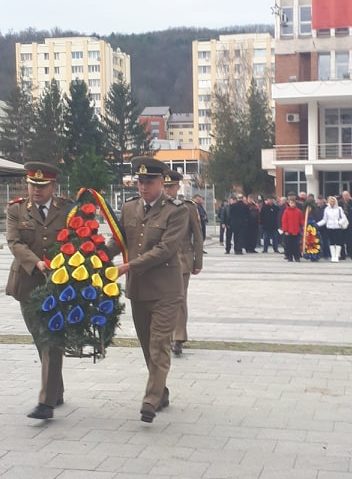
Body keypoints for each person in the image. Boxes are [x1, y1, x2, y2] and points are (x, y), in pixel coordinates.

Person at [108, 157, 188, 423]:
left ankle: (150, 400)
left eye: (149, 181)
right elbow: (118, 240)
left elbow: (165, 249)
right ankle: (161, 390)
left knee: (159, 345)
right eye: (139, 181)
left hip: (166, 289)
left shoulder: (177, 210)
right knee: (146, 346)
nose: (143, 187)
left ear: (162, 182)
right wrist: (91, 255)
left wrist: (128, 266)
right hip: (139, 290)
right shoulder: (130, 208)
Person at [6, 161, 73, 420]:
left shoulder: (67, 209)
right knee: (39, 338)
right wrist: (37, 263)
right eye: (32, 184)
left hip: (59, 283)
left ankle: (46, 403)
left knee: (52, 339)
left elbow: (75, 239)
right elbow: (14, 241)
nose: (36, 190)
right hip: (27, 283)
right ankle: (56, 388)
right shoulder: (17, 210)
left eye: (41, 186)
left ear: (53, 186)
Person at [163, 170, 203, 356]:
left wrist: (198, 261)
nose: (167, 190)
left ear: (178, 187)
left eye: (170, 187)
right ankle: (164, 336)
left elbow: (197, 235)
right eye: (164, 186)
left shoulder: (187, 207)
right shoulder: (156, 207)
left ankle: (178, 337)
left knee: (178, 299)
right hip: (160, 262)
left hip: (182, 260)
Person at [317, 196, 348, 262]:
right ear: (328, 202)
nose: (332, 202)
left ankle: (337, 256)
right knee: (331, 242)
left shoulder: (339, 209)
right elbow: (324, 220)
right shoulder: (326, 209)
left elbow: (343, 218)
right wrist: (317, 224)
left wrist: (339, 222)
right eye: (330, 201)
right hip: (330, 227)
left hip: (338, 228)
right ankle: (333, 256)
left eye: (333, 201)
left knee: (338, 242)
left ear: (335, 201)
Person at [339, 191, 352, 260]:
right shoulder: (340, 203)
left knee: (350, 240)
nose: (346, 196)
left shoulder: (351, 202)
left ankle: (350, 254)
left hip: (350, 224)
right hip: (342, 224)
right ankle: (342, 255)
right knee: (341, 240)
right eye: (344, 195)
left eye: (347, 195)